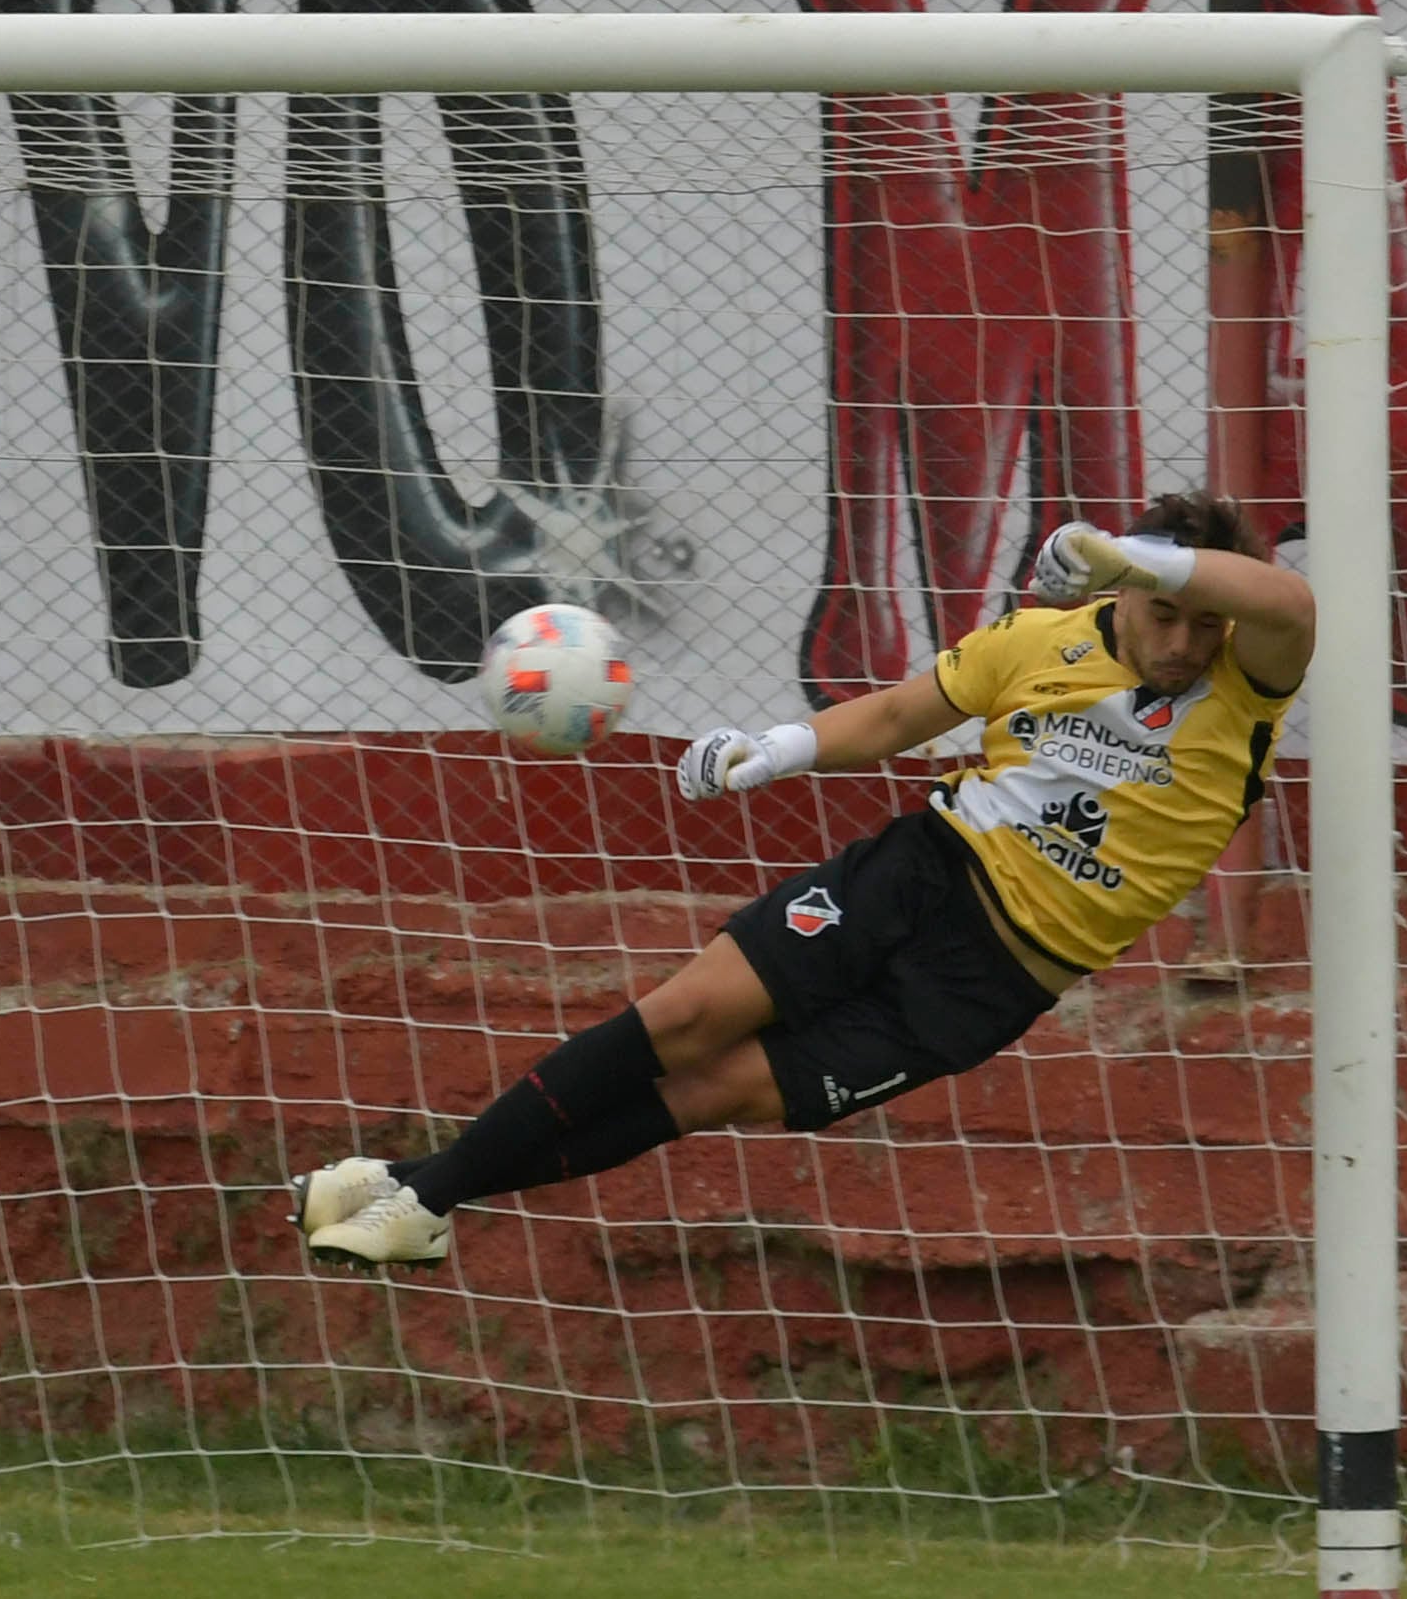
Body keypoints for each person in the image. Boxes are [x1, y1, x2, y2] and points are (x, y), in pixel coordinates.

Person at [291, 491, 1316, 1269]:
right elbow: (895, 717)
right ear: (1117, 602)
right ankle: (424, 1200)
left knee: (712, 1089)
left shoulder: (1249, 685)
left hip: (986, 985)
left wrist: (1127, 555)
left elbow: (1285, 598)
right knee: (683, 1016)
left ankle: (418, 1187)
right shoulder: (1037, 639)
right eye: (1160, 615)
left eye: (1200, 620)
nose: (1182, 642)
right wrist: (769, 749)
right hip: (917, 875)